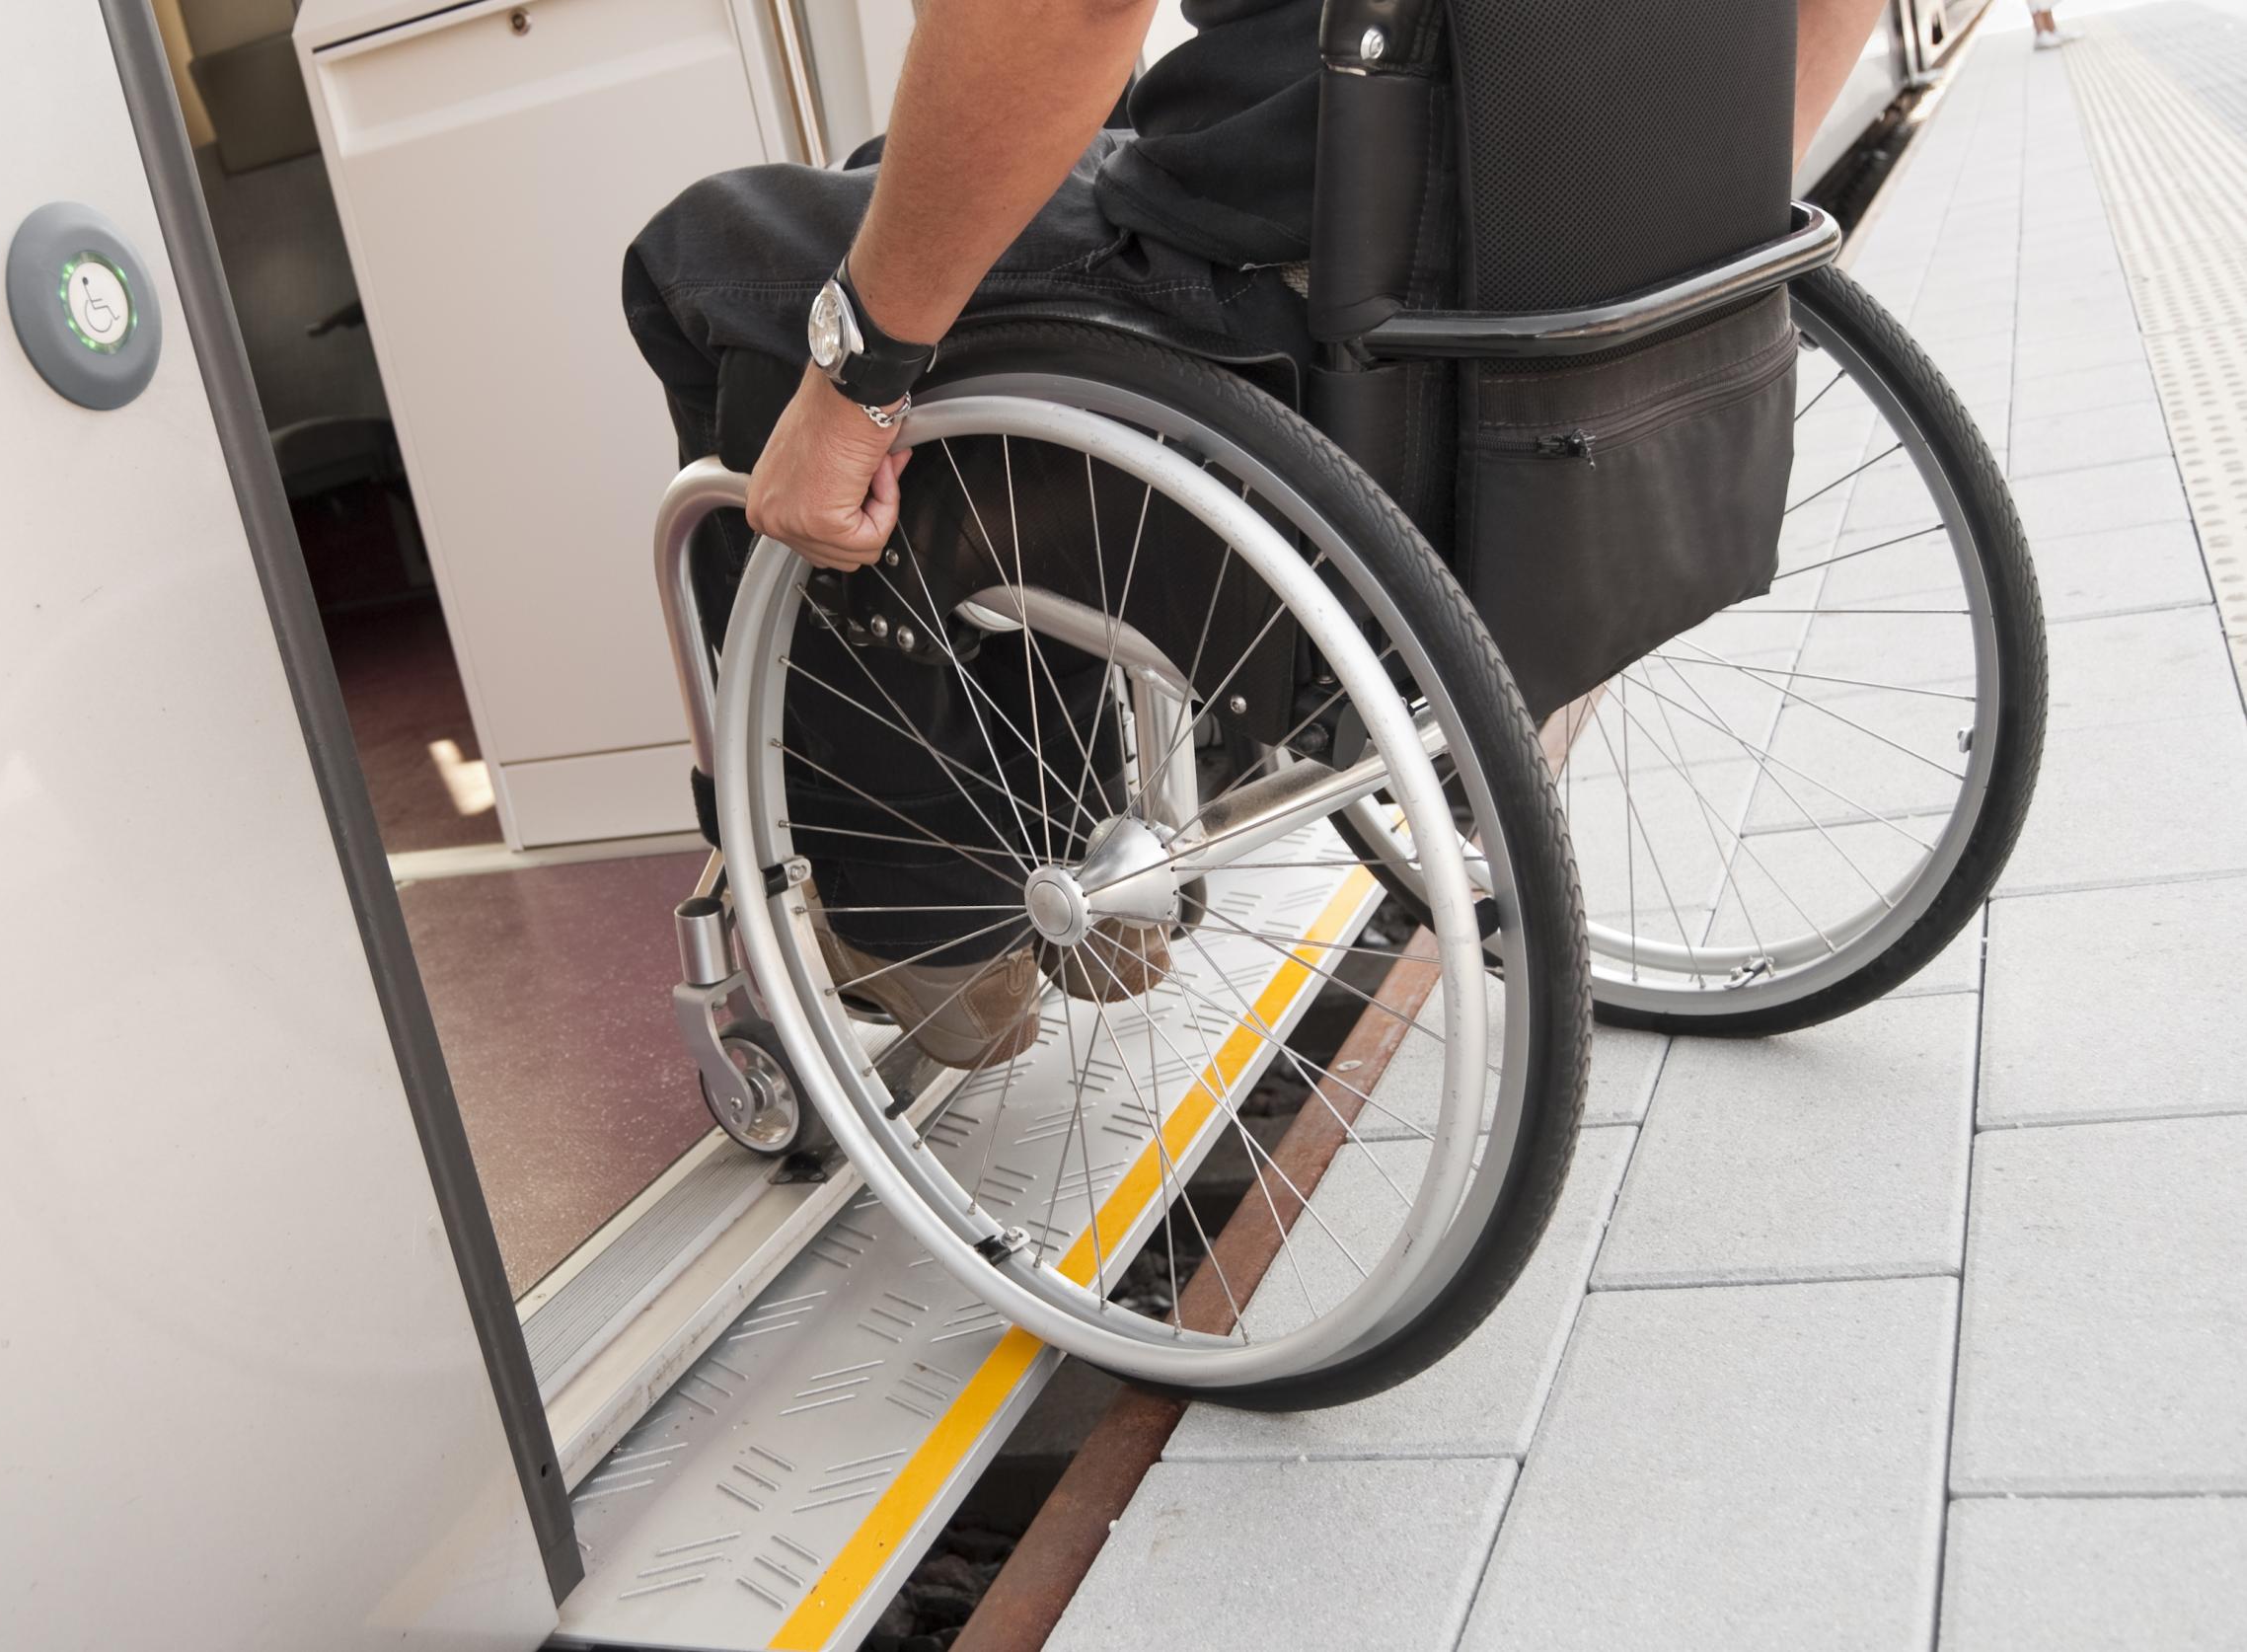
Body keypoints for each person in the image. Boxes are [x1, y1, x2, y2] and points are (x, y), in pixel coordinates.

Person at [624, 0, 1895, 1066]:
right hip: (1525, 299)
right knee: (889, 173)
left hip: (1315, 298)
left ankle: (936, 924)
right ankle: (1054, 824)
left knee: (710, 262)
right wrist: (1658, 270)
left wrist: (857, 387)